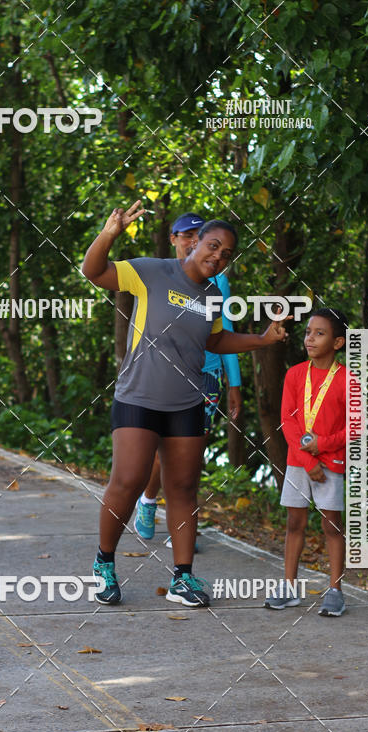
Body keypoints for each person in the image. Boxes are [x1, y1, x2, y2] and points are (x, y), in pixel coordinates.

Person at [81, 200, 289, 608]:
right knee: (128, 481)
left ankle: (183, 578)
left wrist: (261, 341)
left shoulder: (212, 295)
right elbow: (93, 272)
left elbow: (213, 341)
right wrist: (110, 233)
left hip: (187, 402)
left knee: (182, 489)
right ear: (194, 243)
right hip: (139, 396)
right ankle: (104, 564)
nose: (217, 256)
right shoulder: (153, 272)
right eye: (212, 246)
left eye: (226, 254)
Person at [134, 212, 242, 543]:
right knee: (160, 448)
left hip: (206, 375)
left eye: (199, 235)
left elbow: (226, 332)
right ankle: (149, 500)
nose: (192, 241)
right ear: (175, 239)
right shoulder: (159, 274)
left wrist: (234, 383)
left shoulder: (218, 280)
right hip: (163, 373)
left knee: (191, 452)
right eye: (187, 235)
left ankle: (183, 525)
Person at [266, 308, 349, 616]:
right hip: (298, 462)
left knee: (331, 525)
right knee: (294, 523)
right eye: (308, 332)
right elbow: (288, 422)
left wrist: (322, 447)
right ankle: (288, 587)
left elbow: (355, 427)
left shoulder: (348, 380)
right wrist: (306, 458)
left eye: (319, 333)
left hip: (333, 462)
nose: (310, 338)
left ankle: (335, 591)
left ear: (338, 343)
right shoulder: (295, 374)